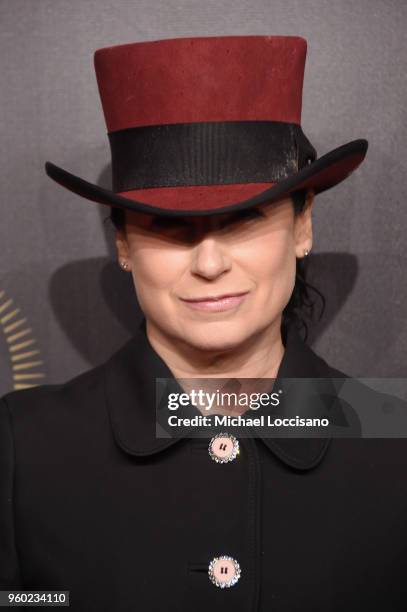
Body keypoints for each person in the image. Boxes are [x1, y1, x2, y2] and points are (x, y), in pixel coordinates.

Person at [1, 35, 406, 612]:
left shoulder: (397, 448)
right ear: (123, 243)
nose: (210, 264)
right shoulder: (23, 449)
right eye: (168, 227)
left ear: (302, 227)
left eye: (244, 219)